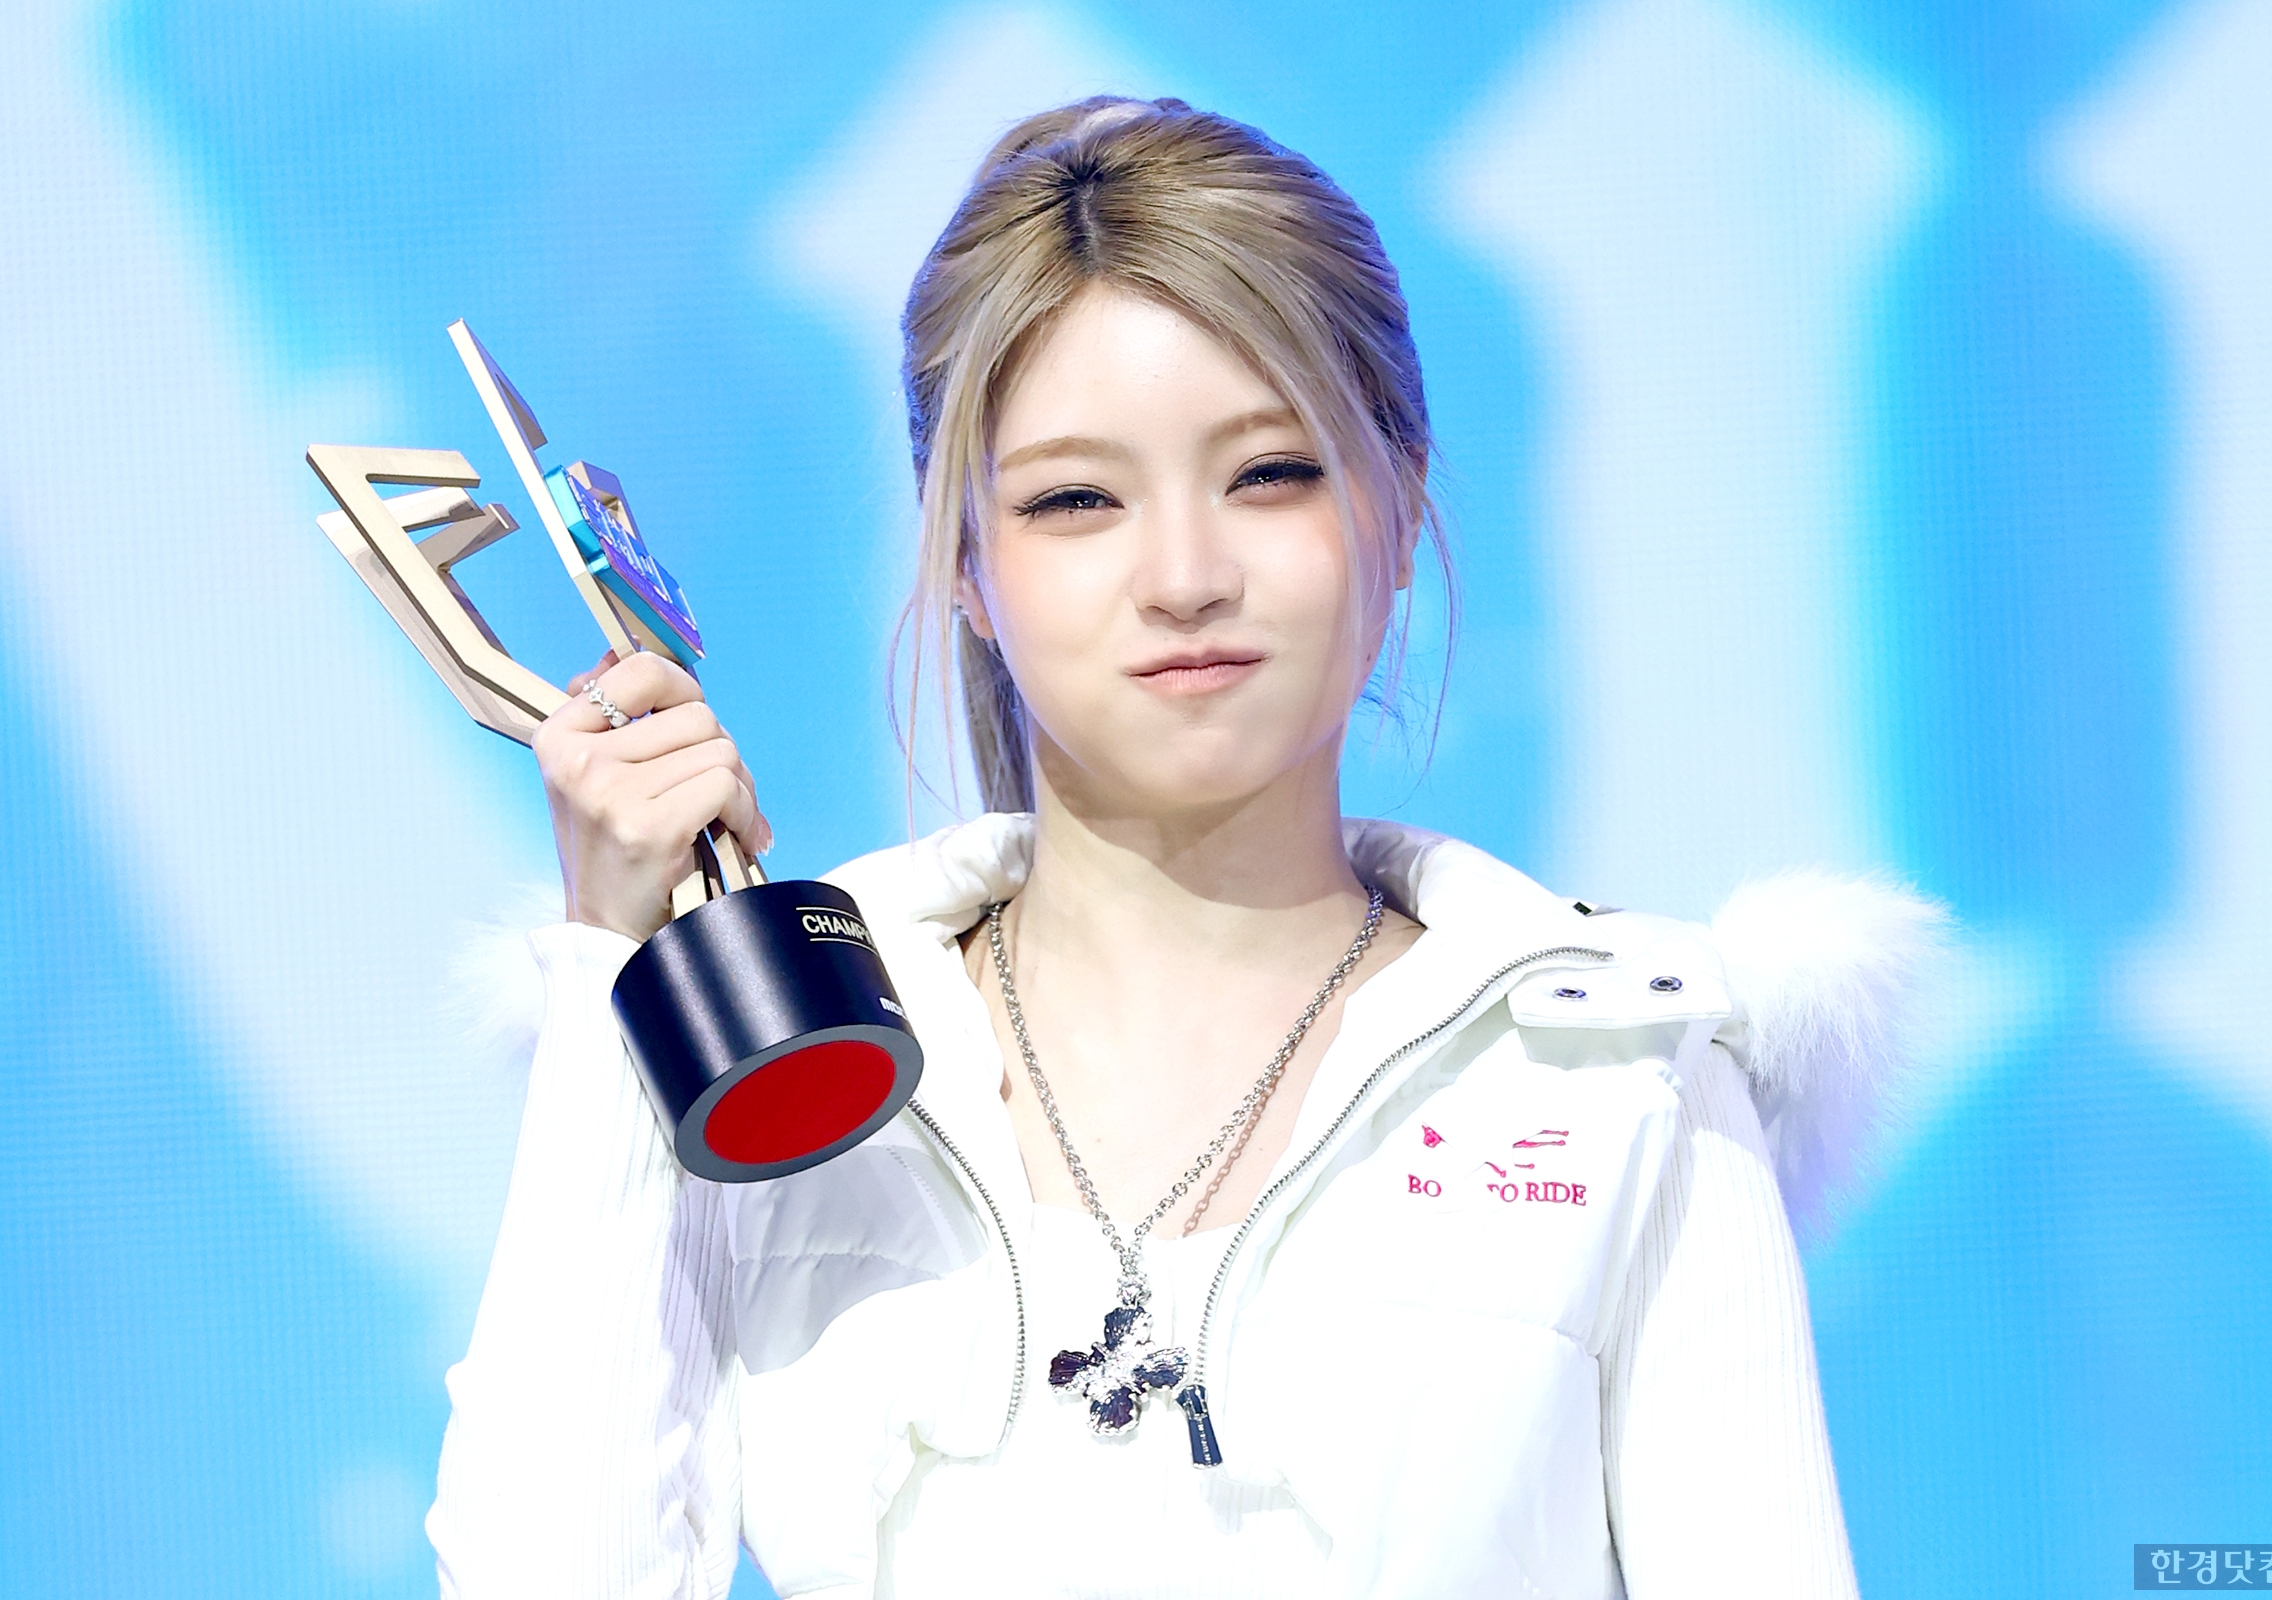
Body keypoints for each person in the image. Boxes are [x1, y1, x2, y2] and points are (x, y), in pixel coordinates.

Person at [426, 96, 1941, 1599]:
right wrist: (617, 973)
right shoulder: (796, 1066)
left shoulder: (1619, 1068)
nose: (1185, 574)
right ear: (965, 564)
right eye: (1076, 499)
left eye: (1269, 473)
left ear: (1400, 508)